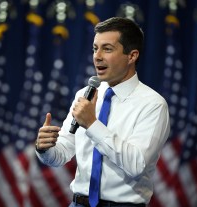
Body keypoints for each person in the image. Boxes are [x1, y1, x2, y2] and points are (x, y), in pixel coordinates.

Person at [35, 17, 170, 207]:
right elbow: (61, 153)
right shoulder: (85, 94)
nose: (97, 56)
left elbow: (137, 165)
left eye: (107, 49)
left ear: (132, 56)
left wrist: (92, 124)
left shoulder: (153, 104)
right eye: (95, 48)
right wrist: (45, 149)